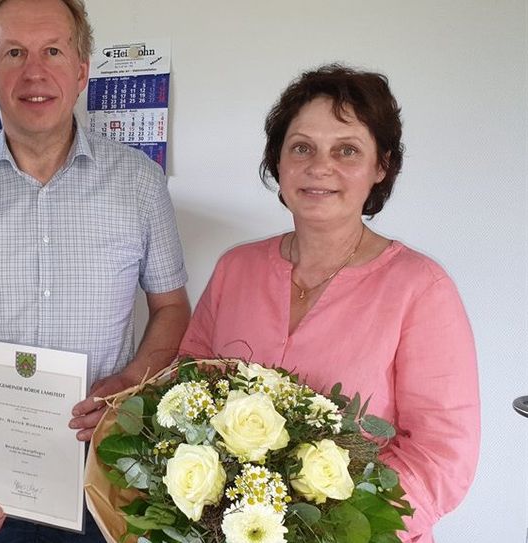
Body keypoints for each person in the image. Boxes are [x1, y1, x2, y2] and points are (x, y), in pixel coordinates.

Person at [0, 0, 191, 541]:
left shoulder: (140, 184)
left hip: (101, 449)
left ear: (81, 71)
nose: (35, 72)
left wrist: (130, 380)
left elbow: (171, 308)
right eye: (14, 53)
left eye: (53, 50)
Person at [179, 64, 479, 543]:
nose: (320, 167)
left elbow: (441, 457)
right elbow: (187, 386)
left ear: (381, 166)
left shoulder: (421, 288)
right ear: (277, 160)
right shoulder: (236, 269)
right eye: (302, 148)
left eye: (347, 150)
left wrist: (328, 531)